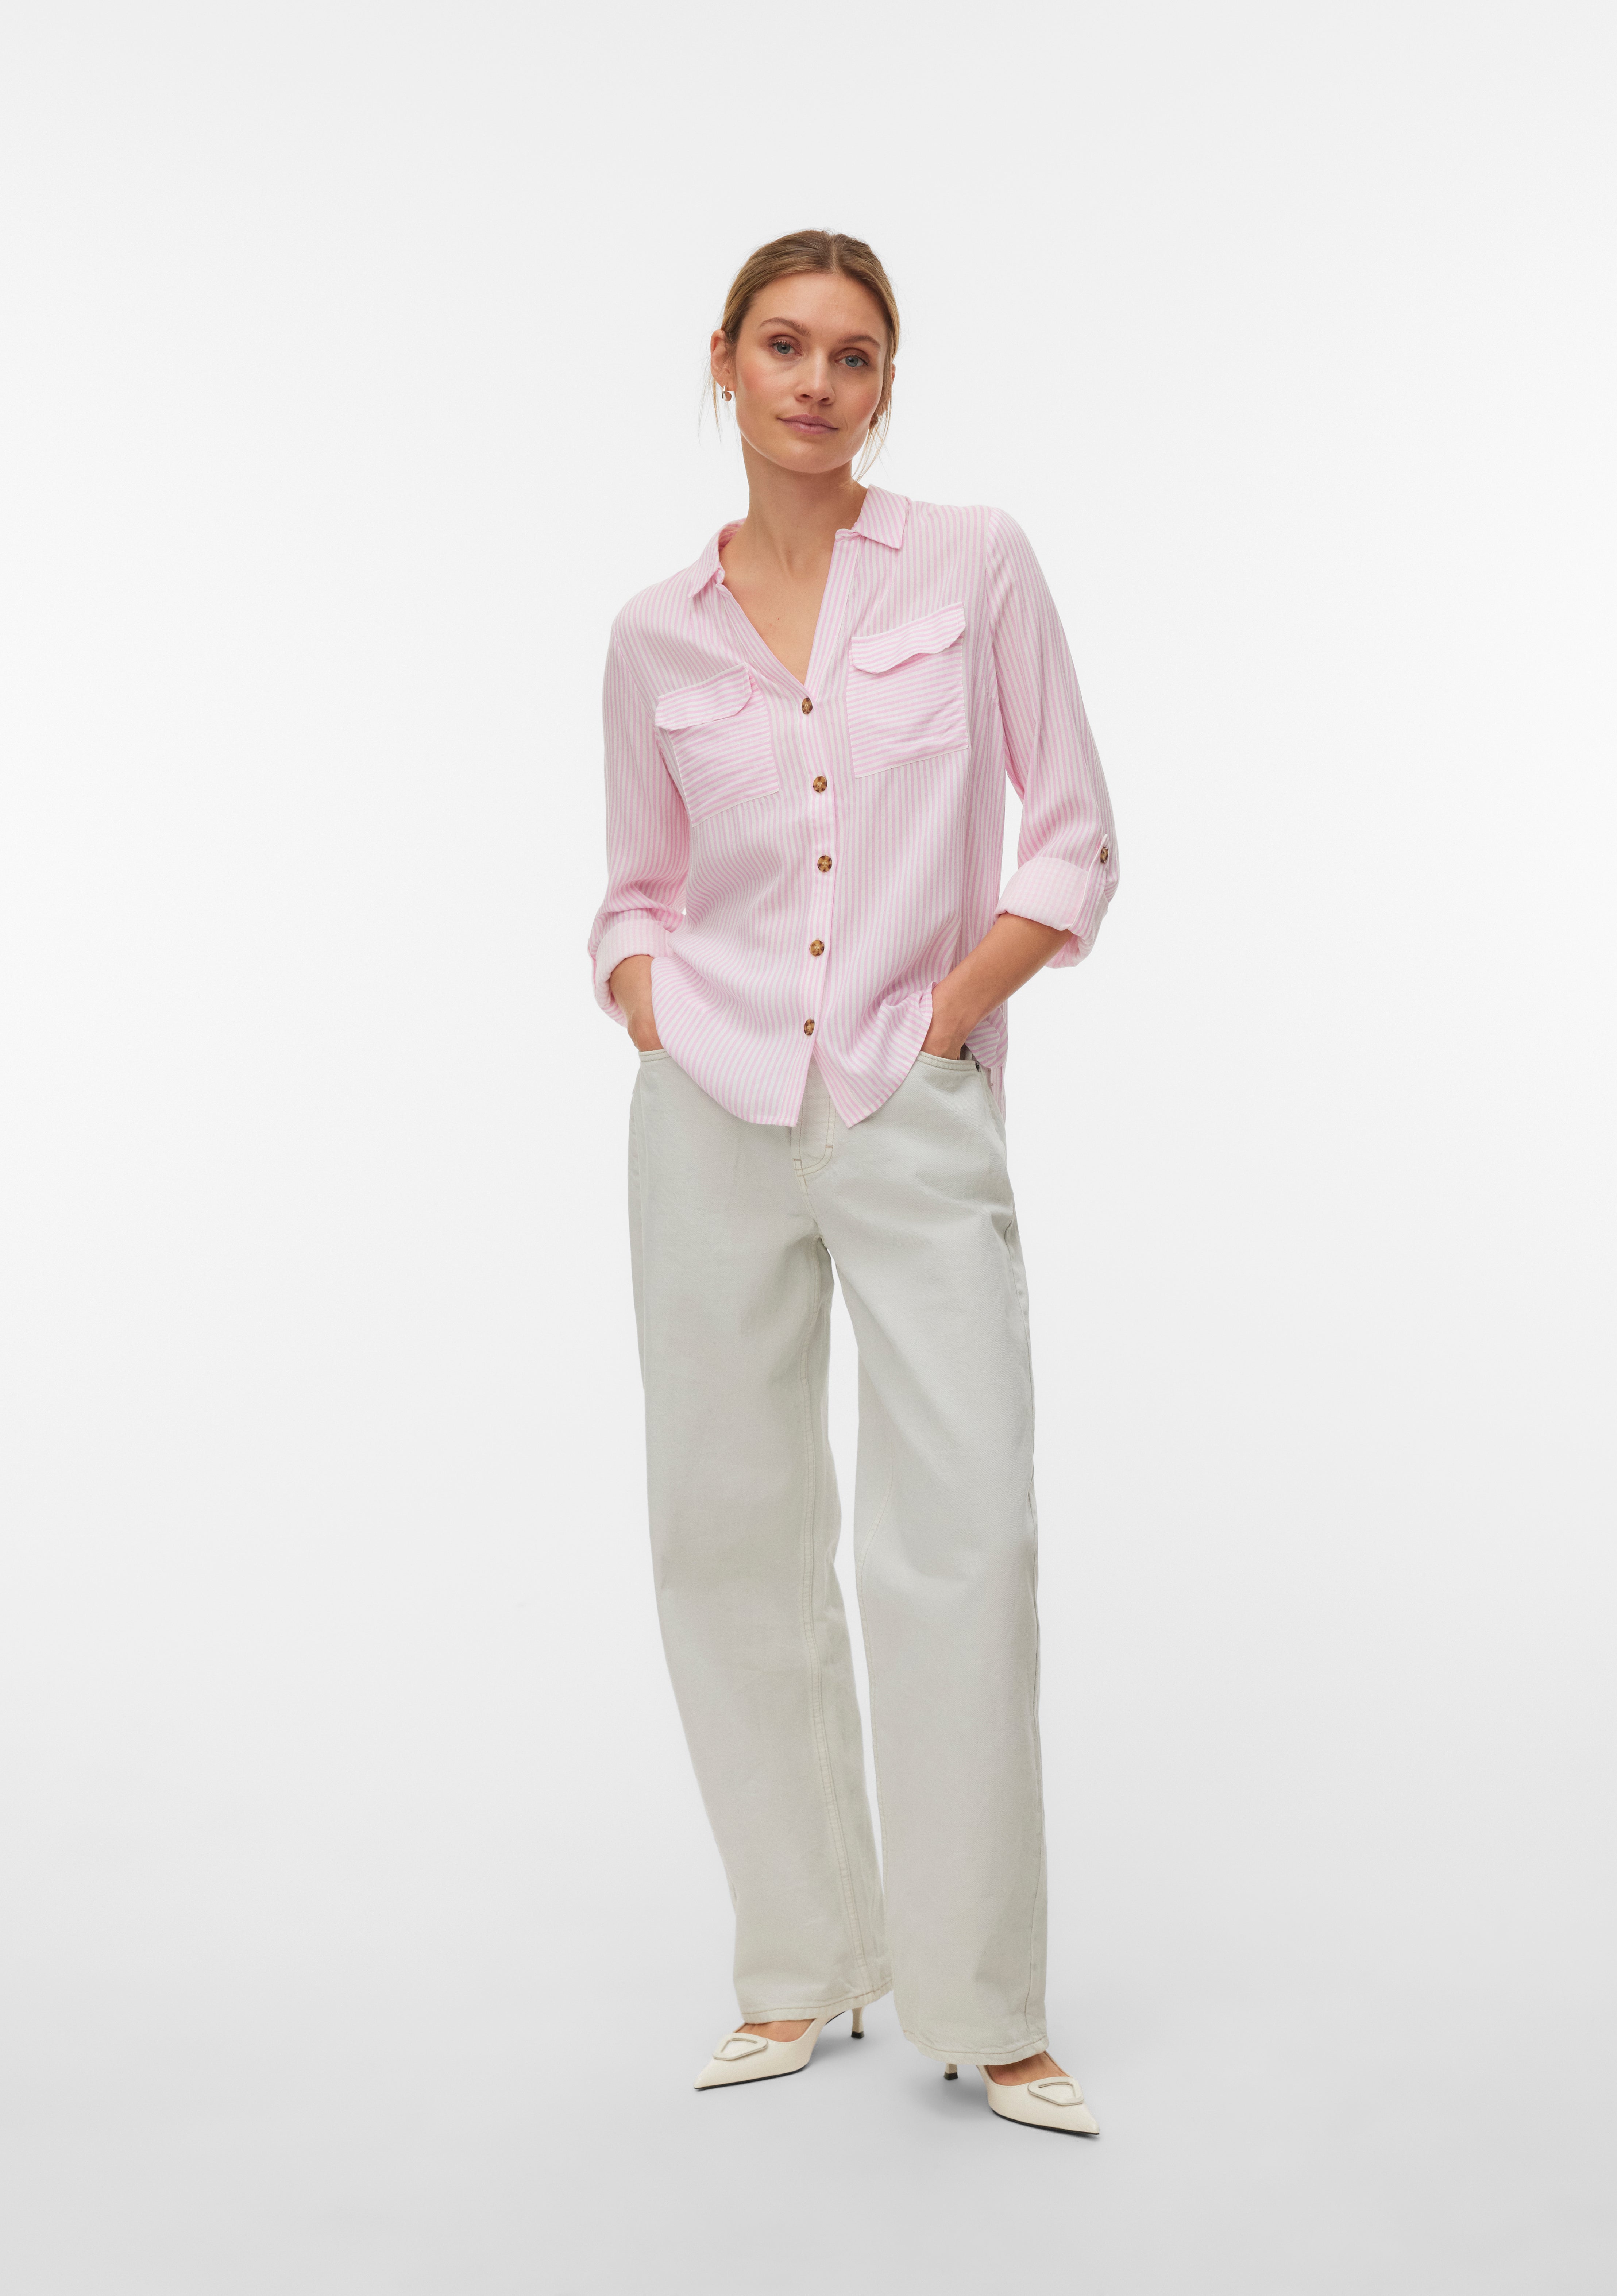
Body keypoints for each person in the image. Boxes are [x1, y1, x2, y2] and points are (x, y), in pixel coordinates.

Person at [588, 229, 1118, 2137]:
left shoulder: (972, 563)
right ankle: (798, 1970)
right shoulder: (656, 634)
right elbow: (635, 883)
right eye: (786, 345)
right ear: (723, 361)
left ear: (887, 387)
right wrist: (647, 998)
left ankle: (988, 2005)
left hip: (912, 1097)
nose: (818, 382)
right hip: (711, 1109)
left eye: (857, 355)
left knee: (961, 1532)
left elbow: (1072, 834)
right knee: (726, 1530)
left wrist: (949, 1015)